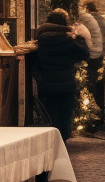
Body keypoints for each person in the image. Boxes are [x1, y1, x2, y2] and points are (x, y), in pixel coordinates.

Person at [27, 9, 89, 141]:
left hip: (46, 84)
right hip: (66, 84)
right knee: (65, 114)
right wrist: (79, 38)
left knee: (50, 114)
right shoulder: (68, 41)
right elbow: (84, 54)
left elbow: (34, 63)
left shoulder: (40, 42)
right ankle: (62, 142)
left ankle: (52, 141)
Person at [77, 0, 105, 104]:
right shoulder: (101, 19)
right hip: (100, 52)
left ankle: (92, 104)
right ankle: (98, 105)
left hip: (92, 54)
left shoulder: (86, 19)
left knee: (90, 81)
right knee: (98, 81)